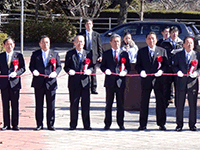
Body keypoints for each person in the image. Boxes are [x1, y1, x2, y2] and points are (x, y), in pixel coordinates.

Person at [135, 32, 168, 130]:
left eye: (153, 38)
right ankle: (142, 124)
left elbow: (166, 65)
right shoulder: (142, 51)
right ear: (146, 40)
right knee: (144, 102)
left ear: (156, 40)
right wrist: (141, 71)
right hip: (146, 80)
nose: (151, 40)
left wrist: (161, 70)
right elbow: (138, 65)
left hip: (159, 80)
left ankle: (161, 123)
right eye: (149, 38)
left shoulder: (162, 51)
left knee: (160, 102)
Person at [29, 35, 61, 131]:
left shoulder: (54, 54)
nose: (45, 44)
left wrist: (55, 73)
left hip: (51, 82)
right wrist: (34, 71)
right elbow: (31, 66)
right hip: (39, 82)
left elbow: (59, 66)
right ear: (40, 44)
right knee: (39, 104)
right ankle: (39, 124)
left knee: (51, 104)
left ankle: (50, 124)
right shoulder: (35, 54)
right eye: (43, 42)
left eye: (47, 42)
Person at [100, 34, 131, 130]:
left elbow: (128, 66)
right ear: (110, 43)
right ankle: (107, 123)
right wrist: (106, 71)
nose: (116, 43)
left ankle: (121, 123)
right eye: (114, 41)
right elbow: (102, 66)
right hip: (110, 82)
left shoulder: (124, 53)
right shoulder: (106, 53)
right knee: (109, 104)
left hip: (120, 81)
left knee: (120, 104)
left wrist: (125, 71)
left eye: (118, 41)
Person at [64, 35, 94, 130]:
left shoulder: (88, 53)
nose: (80, 43)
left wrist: (90, 71)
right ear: (74, 43)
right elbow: (66, 67)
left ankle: (87, 125)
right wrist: (69, 71)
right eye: (78, 41)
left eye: (82, 41)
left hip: (85, 82)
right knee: (74, 104)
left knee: (86, 104)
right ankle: (73, 124)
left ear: (84, 43)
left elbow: (92, 66)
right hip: (74, 82)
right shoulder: (70, 53)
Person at [172, 36, 199, 131]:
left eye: (191, 43)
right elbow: (174, 66)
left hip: (192, 83)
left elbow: (199, 68)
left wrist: (197, 73)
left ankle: (192, 125)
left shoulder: (197, 55)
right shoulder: (178, 55)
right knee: (179, 105)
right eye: (187, 42)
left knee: (192, 105)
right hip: (181, 83)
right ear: (183, 44)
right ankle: (179, 125)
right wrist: (178, 71)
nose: (189, 44)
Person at [0, 37, 26, 131]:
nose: (9, 46)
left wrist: (16, 73)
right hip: (4, 84)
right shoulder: (1, 56)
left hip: (15, 84)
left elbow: (23, 68)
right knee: (5, 104)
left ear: (14, 45)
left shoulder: (18, 55)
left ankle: (15, 124)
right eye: (7, 44)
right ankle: (6, 124)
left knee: (15, 104)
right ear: (4, 45)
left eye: (11, 44)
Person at [78, 19, 102, 94]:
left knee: (93, 72)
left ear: (92, 25)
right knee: (84, 70)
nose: (89, 25)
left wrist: (100, 55)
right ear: (85, 25)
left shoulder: (96, 34)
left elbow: (99, 46)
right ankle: (84, 86)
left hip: (93, 54)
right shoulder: (81, 34)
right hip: (84, 53)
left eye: (90, 24)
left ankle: (93, 88)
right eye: (87, 24)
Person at [160, 26, 183, 105]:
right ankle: (165, 102)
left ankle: (178, 105)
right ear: (170, 33)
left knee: (178, 87)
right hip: (167, 68)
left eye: (175, 32)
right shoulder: (164, 43)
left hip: (178, 68)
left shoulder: (181, 43)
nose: (174, 34)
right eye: (172, 32)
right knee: (166, 86)